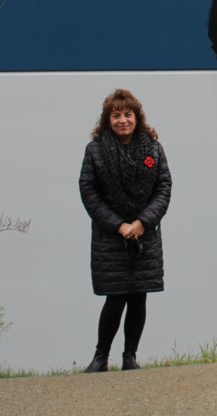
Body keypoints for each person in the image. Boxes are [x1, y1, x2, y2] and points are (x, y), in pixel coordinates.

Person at [78, 88, 172, 371]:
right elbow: (88, 191)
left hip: (145, 234)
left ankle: (129, 357)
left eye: (127, 114)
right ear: (108, 120)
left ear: (137, 117)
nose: (122, 120)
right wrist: (119, 226)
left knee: (138, 295)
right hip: (111, 236)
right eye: (116, 115)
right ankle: (100, 357)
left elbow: (163, 187)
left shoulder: (153, 147)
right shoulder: (95, 150)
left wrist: (142, 223)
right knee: (115, 297)